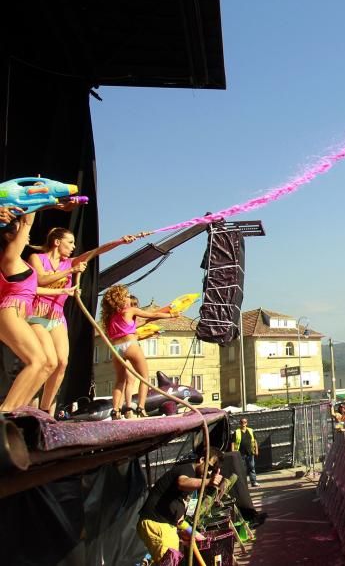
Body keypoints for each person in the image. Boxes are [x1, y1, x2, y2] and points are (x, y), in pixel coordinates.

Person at [28, 228, 138, 415]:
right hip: (37, 315)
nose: (73, 247)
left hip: (56, 317)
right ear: (56, 242)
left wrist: (121, 241)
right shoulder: (37, 259)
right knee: (49, 362)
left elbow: (96, 252)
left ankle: (45, 409)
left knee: (62, 363)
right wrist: (71, 271)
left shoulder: (70, 262)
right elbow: (41, 280)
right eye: (70, 242)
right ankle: (29, 404)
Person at [0, 212, 76, 411]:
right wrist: (39, 199)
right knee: (37, 361)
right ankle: (6, 411)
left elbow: (33, 288)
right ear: (9, 236)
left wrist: (62, 290)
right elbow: (26, 222)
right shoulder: (10, 257)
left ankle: (19, 410)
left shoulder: (21, 264)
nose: (27, 235)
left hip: (19, 312)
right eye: (20, 232)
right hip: (11, 310)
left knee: (48, 364)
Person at [136, 447, 224, 564]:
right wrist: (208, 482)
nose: (209, 473)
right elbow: (182, 482)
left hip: (165, 525)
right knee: (170, 562)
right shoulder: (186, 470)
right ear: (202, 459)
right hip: (157, 523)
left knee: (167, 561)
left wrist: (193, 533)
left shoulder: (193, 479)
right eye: (210, 468)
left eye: (213, 471)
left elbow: (179, 519)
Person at [99, 285, 175, 419]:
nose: (129, 298)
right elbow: (153, 314)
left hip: (117, 349)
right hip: (131, 345)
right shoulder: (130, 310)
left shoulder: (110, 317)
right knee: (144, 377)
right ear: (121, 299)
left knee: (119, 381)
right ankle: (141, 407)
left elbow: (135, 325)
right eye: (127, 296)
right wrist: (171, 315)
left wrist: (152, 319)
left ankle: (115, 410)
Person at [233, 417, 260, 487]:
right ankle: (244, 484)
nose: (243, 424)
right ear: (240, 423)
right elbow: (232, 442)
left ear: (247, 423)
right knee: (242, 469)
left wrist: (256, 450)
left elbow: (255, 441)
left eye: (245, 422)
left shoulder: (251, 431)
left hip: (250, 452)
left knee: (252, 467)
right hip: (240, 454)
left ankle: (253, 482)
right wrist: (233, 452)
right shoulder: (236, 432)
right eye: (242, 422)